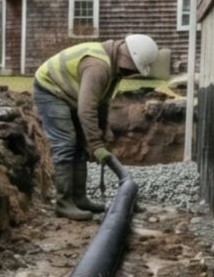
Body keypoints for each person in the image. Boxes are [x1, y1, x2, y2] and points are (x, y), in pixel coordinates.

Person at [33, 35, 159, 220]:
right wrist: (96, 144)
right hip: (50, 89)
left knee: (80, 143)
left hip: (71, 94)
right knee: (66, 143)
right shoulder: (98, 67)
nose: (130, 73)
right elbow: (86, 109)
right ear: (126, 58)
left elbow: (101, 102)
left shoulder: (114, 68)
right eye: (131, 69)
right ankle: (64, 203)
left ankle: (80, 199)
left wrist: (103, 128)